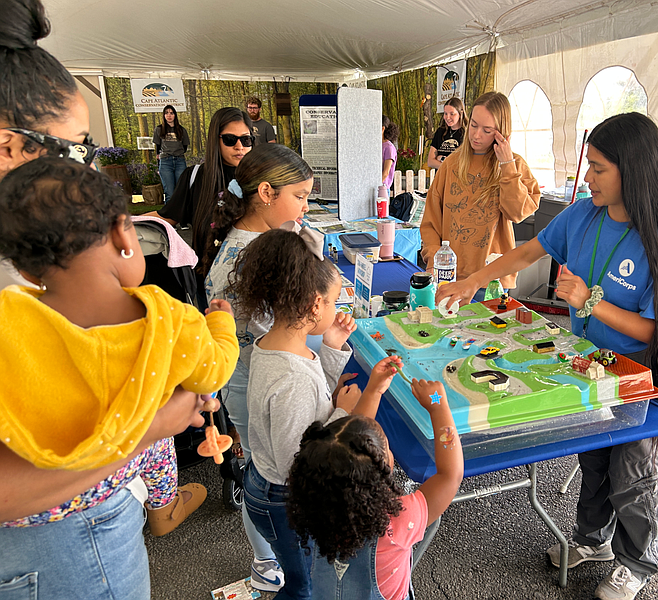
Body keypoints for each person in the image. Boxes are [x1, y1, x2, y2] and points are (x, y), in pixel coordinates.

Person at [0, 3, 218, 597]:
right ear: (7, 146)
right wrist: (150, 428)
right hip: (59, 545)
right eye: (76, 150)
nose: (88, 166)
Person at [436, 112, 658, 600]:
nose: (588, 178)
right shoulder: (582, 214)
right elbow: (528, 251)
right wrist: (473, 280)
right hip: (584, 363)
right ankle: (591, 540)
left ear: (633, 170)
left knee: (632, 473)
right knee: (594, 459)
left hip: (635, 375)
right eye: (589, 166)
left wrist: (591, 301)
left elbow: (657, 327)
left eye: (599, 169)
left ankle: (637, 561)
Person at [0, 155, 240, 530]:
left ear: (26, 269)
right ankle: (165, 507)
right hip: (104, 506)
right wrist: (221, 325)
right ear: (124, 236)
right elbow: (213, 374)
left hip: (25, 515)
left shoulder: (9, 318)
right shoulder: (172, 320)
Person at [230, 227, 403, 599]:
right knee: (303, 585)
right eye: (334, 300)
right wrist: (343, 411)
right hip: (283, 496)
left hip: (271, 483)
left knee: (304, 576)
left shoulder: (274, 345)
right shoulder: (290, 379)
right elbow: (301, 460)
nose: (337, 307)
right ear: (313, 305)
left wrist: (331, 347)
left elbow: (313, 394)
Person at [203, 143, 315, 592]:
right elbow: (288, 321)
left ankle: (265, 559)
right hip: (258, 380)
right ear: (266, 192)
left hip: (240, 376)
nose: (305, 205)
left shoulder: (238, 239)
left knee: (258, 465)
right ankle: (272, 561)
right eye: (302, 195)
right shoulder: (261, 253)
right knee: (273, 474)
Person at [287, 379, 463, 600]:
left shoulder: (312, 505)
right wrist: (439, 407)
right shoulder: (397, 521)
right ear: (381, 469)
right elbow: (450, 476)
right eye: (386, 448)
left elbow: (349, 449)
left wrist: (374, 390)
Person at [419, 91, 540, 293]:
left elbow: (517, 213)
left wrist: (507, 166)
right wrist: (433, 260)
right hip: (449, 275)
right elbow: (431, 221)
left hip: (492, 281)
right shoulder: (451, 164)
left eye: (487, 130)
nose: (476, 135)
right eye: (473, 125)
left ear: (501, 132)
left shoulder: (515, 164)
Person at [155, 107, 253, 307]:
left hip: (253, 282)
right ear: (215, 141)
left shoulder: (261, 178)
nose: (239, 146)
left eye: (246, 139)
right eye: (229, 139)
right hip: (207, 283)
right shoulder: (195, 176)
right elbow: (166, 217)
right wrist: (120, 223)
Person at [152, 104, 190, 203]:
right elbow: (158, 148)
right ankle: (168, 217)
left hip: (179, 161)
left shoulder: (182, 130)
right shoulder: (159, 129)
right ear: (164, 115)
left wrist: (176, 153)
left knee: (180, 191)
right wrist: (159, 164)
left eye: (171, 113)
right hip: (165, 162)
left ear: (175, 115)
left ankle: (180, 216)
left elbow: (184, 147)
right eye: (166, 113)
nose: (169, 115)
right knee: (170, 192)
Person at [427, 97, 466, 170]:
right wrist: (447, 165)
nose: (448, 117)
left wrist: (440, 159)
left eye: (452, 114)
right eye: (445, 113)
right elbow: (430, 161)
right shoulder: (440, 132)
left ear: (460, 114)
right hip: (441, 178)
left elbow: (464, 162)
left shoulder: (467, 134)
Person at [382, 115, 399, 190]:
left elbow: (386, 172)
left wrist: (377, 187)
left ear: (382, 129)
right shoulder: (376, 145)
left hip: (382, 188)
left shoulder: (389, 148)